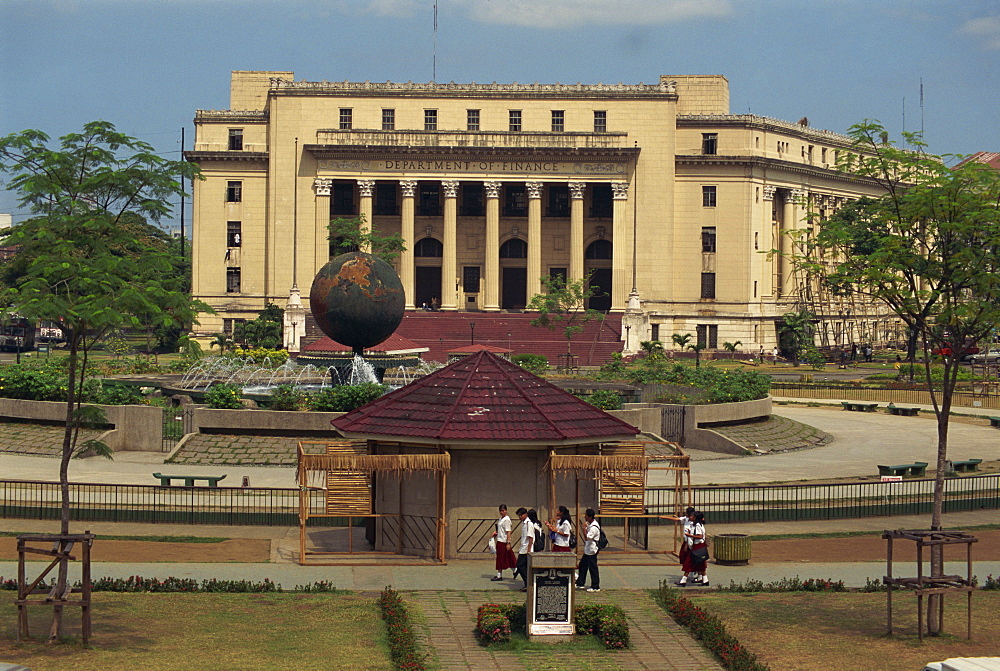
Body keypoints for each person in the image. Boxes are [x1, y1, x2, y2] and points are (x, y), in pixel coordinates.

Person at [678, 511, 709, 587]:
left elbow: (700, 536)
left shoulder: (698, 525)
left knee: (689, 562)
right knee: (699, 563)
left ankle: (683, 580)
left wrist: (689, 535)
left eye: (692, 516)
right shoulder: (694, 525)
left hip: (698, 546)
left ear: (695, 517)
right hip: (695, 545)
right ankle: (705, 580)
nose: (690, 517)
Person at [575, 508, 601, 592]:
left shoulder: (594, 527)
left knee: (593, 567)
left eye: (586, 515)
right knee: (582, 565)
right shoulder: (590, 524)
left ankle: (595, 586)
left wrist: (583, 529)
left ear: (589, 517)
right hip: (588, 550)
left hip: (592, 550)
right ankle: (580, 582)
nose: (585, 517)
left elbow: (587, 538)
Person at [663, 506, 696, 571]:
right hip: (687, 539)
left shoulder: (694, 522)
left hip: (690, 540)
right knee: (684, 555)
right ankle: (691, 571)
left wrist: (663, 517)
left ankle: (693, 571)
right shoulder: (686, 518)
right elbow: (677, 519)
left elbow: (677, 519)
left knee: (689, 556)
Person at [491, 504, 517, 581]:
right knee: (502, 557)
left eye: (503, 510)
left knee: (507, 557)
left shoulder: (506, 520)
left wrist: (508, 542)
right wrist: (496, 533)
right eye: (501, 511)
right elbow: (500, 530)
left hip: (504, 541)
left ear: (506, 510)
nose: (502, 512)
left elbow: (508, 531)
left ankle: (514, 570)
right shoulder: (501, 519)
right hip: (499, 540)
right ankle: (502, 574)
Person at [514, 506, 536, 591]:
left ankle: (528, 583)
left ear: (525, 514)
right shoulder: (523, 523)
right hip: (523, 548)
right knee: (524, 566)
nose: (520, 517)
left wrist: (529, 549)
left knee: (520, 565)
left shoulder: (529, 524)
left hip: (526, 549)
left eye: (521, 515)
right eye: (519, 515)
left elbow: (531, 537)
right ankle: (528, 583)